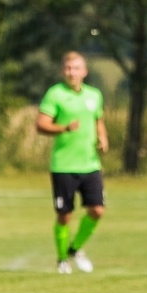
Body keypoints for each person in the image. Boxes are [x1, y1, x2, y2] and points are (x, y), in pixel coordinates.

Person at [36, 51, 109, 274]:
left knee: (97, 210)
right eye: (68, 68)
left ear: (84, 72)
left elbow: (98, 120)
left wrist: (103, 137)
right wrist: (64, 128)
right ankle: (61, 259)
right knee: (65, 215)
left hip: (90, 164)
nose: (72, 72)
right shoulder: (55, 94)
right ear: (63, 71)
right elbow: (41, 125)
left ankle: (75, 249)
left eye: (76, 68)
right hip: (63, 165)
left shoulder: (94, 95)